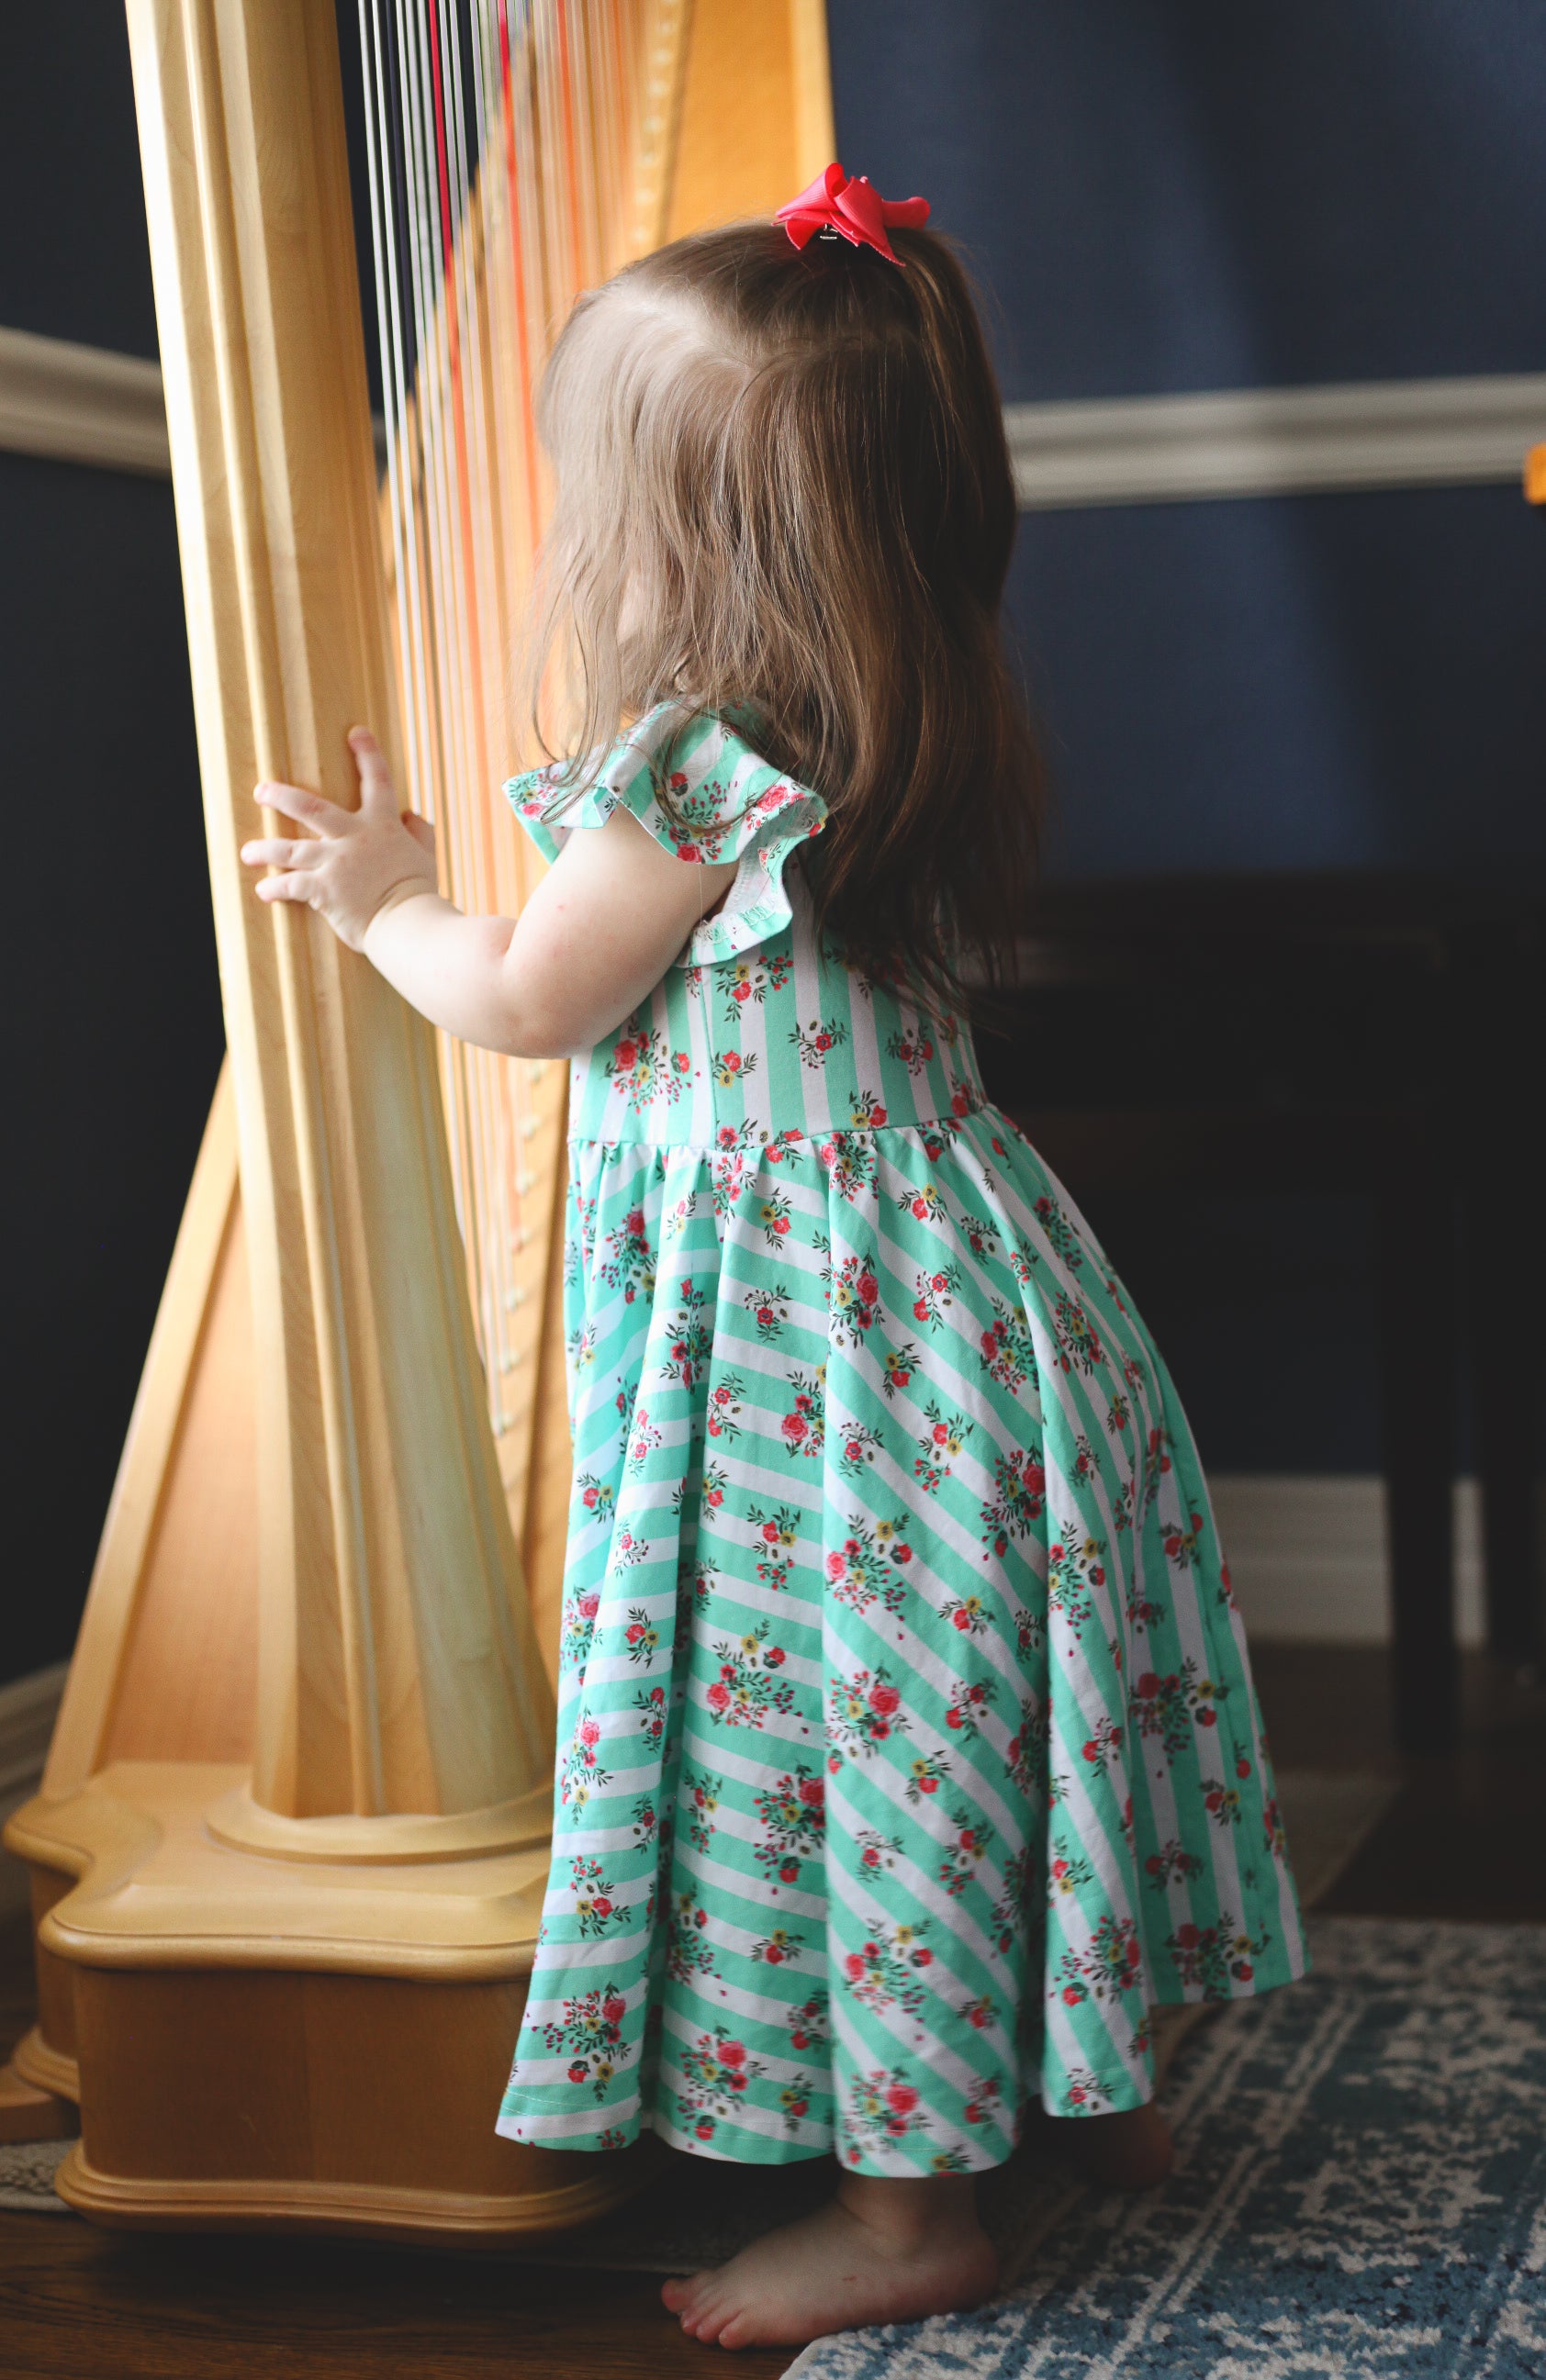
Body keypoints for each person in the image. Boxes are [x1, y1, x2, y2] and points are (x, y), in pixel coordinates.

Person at [241, 164, 1306, 2353]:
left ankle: (909, 2212)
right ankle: (1086, 2078)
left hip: (815, 1369)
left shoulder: (682, 779)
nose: (567, 531)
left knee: (858, 1730)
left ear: (677, 544)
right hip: (978, 1307)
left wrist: (380, 897)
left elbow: (528, 998)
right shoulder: (913, 717)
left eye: (586, 490)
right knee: (992, 1694)